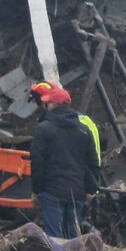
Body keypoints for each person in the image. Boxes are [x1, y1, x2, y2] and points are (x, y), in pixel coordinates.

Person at [29, 85, 100, 239]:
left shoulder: (44, 128)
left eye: (47, 103)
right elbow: (92, 163)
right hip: (77, 192)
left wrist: (37, 190)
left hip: (52, 191)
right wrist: (91, 189)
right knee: (74, 236)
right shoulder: (84, 130)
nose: (45, 106)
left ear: (53, 105)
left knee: (55, 238)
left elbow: (37, 162)